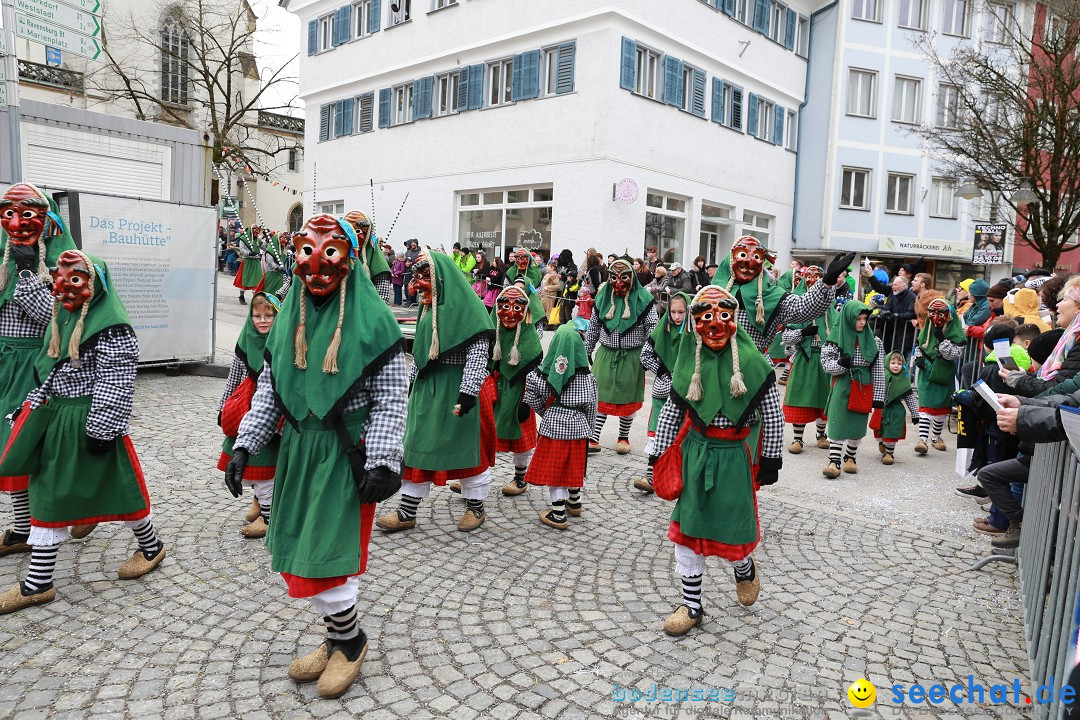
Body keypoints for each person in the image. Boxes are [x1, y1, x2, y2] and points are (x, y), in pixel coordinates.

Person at [226, 214, 406, 698]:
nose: (317, 266)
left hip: (346, 456)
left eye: (330, 254)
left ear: (349, 258)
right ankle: (337, 638)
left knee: (327, 555)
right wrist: (246, 443)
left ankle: (351, 642)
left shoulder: (375, 319)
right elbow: (270, 387)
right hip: (299, 451)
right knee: (303, 550)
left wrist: (385, 459)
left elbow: (391, 395)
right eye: (306, 253)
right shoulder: (290, 314)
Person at [0, 251, 167, 613]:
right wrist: (29, 407)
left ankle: (151, 546)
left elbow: (117, 381)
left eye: (75, 279)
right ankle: (39, 583)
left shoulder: (113, 327)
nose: (63, 286)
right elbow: (51, 371)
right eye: (60, 278)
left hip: (90, 422)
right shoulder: (63, 318)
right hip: (58, 422)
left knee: (120, 489)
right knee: (47, 492)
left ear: (96, 284)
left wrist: (102, 429)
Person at [649, 285, 783, 635]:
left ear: (734, 319)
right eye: (705, 316)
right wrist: (657, 454)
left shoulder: (752, 362)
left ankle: (744, 568)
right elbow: (672, 413)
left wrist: (771, 458)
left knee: (733, 533)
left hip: (734, 459)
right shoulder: (687, 359)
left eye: (722, 315)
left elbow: (773, 413)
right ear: (695, 323)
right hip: (696, 455)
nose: (714, 323)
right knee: (687, 531)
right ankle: (692, 606)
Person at [379, 250, 496, 533]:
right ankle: (407, 511)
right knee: (417, 445)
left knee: (466, 447)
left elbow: (479, 351)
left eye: (424, 277)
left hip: (457, 391)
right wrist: (411, 384)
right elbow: (421, 349)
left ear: (440, 278)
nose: (418, 284)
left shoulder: (469, 309)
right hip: (428, 391)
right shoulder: (428, 307)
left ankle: (475, 507)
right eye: (416, 276)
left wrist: (468, 391)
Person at [0, 183, 78, 559]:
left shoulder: (60, 264)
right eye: (8, 214)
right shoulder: (4, 258)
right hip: (4, 365)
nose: (16, 224)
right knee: (6, 448)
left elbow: (55, 321)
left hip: (35, 368)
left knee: (27, 447)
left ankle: (51, 519)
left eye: (27, 214)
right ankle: (20, 527)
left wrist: (29, 269)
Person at [711, 236, 850, 354]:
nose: (748, 261)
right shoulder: (713, 292)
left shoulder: (770, 294)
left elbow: (802, 308)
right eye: (742, 254)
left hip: (753, 366)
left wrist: (827, 281)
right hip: (714, 365)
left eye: (756, 256)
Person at [217, 292, 282, 538]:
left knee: (265, 463)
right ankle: (260, 501)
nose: (262, 321)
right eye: (257, 315)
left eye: (269, 316)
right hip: (247, 405)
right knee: (251, 462)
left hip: (272, 408)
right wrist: (223, 408)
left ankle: (269, 516)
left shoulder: (283, 341)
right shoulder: (245, 339)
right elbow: (233, 377)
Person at [524, 323, 597, 528]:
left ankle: (557, 515)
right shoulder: (588, 378)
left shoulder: (541, 376)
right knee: (573, 469)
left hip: (553, 430)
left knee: (556, 473)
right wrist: (589, 430)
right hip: (579, 431)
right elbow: (592, 407)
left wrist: (546, 413)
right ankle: (575, 503)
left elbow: (531, 396)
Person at [586, 258, 659, 455]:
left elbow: (653, 327)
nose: (618, 281)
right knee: (599, 397)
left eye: (624, 277)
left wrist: (649, 352)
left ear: (632, 277)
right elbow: (594, 326)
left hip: (632, 355)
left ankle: (623, 437)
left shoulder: (643, 298)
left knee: (627, 399)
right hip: (606, 353)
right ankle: (593, 437)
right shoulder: (603, 297)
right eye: (614, 276)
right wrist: (586, 350)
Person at [487, 285, 543, 498]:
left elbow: (535, 373)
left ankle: (520, 477)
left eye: (517, 308)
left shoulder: (530, 339)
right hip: (495, 388)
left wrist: (526, 401)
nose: (510, 313)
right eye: (504, 307)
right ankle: (475, 475)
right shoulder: (492, 333)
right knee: (484, 431)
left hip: (520, 392)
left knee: (520, 439)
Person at [819, 301, 885, 477]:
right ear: (848, 319)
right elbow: (825, 363)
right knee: (838, 419)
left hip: (863, 384)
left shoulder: (875, 341)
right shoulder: (835, 338)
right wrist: (840, 365)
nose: (862, 323)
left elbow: (878, 370)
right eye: (858, 319)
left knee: (857, 421)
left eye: (865, 319)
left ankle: (850, 456)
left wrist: (878, 397)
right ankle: (834, 461)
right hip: (842, 382)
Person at [636, 291, 691, 493]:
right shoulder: (662, 329)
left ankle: (679, 477)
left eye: (681, 312)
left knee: (681, 437)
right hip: (663, 391)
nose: (676, 316)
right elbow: (645, 355)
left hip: (687, 395)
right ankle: (651, 476)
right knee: (658, 434)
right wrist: (663, 371)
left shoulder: (694, 332)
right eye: (673, 312)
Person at [780, 266, 832, 455]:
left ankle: (821, 435)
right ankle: (797, 439)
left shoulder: (830, 308)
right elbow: (786, 338)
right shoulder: (798, 305)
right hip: (804, 358)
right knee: (800, 397)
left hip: (825, 359)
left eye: (817, 277)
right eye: (809, 277)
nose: (813, 280)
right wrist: (802, 333)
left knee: (823, 398)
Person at [1001, 277, 1080, 397]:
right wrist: (1025, 378)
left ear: (1078, 306)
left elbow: (1060, 388)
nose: (1057, 304)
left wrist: (1021, 382)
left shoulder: (1076, 341)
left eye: (1064, 299)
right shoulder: (1071, 337)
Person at [913, 298, 965, 453]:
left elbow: (954, 354)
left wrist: (943, 340)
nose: (936, 317)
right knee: (926, 403)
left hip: (943, 370)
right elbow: (920, 344)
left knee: (941, 405)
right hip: (926, 370)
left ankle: (935, 437)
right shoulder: (927, 328)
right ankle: (923, 440)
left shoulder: (955, 331)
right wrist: (918, 357)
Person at [869, 352, 920, 465]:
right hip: (881, 407)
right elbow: (874, 390)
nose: (896, 365)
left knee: (892, 431)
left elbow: (910, 398)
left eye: (899, 363)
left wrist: (915, 414)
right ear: (887, 363)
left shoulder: (904, 380)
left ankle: (889, 453)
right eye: (893, 363)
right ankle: (882, 442)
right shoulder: (882, 376)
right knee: (878, 429)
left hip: (896, 410)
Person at [343, 211, 393, 306]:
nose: (356, 236)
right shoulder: (339, 254)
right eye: (350, 231)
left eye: (359, 231)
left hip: (367, 308)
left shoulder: (375, 256)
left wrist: (375, 312)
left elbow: (382, 294)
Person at [874, 276, 917, 355]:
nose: (893, 287)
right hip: (891, 334)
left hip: (905, 335)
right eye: (893, 285)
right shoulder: (893, 295)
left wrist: (896, 316)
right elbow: (887, 307)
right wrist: (882, 311)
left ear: (904, 286)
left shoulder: (912, 297)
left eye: (895, 285)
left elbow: (911, 314)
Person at [233, 225, 266, 304]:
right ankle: (241, 296)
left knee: (257, 280)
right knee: (245, 279)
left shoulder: (257, 240)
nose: (256, 231)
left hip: (256, 261)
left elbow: (264, 247)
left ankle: (255, 298)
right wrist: (249, 253)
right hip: (247, 261)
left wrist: (268, 242)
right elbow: (241, 249)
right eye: (254, 229)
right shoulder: (244, 238)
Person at [260, 231, 289, 297]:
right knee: (269, 291)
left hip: (280, 274)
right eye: (280, 238)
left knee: (279, 293)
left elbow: (284, 260)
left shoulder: (283, 250)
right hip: (272, 273)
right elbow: (270, 261)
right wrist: (277, 267)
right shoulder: (270, 249)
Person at [403, 239, 421, 307]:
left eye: (414, 243)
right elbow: (405, 260)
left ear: (417, 244)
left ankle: (411, 301)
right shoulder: (408, 252)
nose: (413, 244)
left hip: (415, 271)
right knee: (406, 286)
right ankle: (408, 299)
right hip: (408, 271)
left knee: (413, 286)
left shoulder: (419, 252)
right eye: (412, 243)